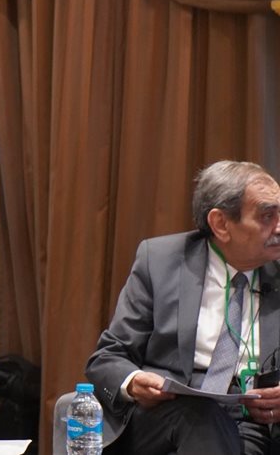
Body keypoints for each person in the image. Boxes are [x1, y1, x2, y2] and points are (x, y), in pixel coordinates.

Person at [86, 160, 280, 455]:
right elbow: (108, 357)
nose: (279, 226)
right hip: (169, 415)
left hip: (249, 422)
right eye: (267, 216)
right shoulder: (161, 262)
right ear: (221, 224)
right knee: (202, 416)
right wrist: (134, 381)